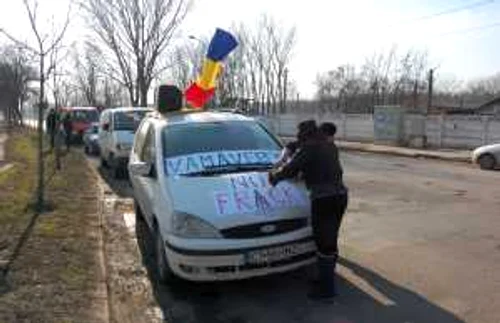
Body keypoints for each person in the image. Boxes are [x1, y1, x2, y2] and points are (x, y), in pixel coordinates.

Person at [268, 120, 348, 301]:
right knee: (331, 239)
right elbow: (303, 155)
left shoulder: (309, 149)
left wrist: (274, 176)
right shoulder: (329, 145)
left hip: (324, 200)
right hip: (341, 197)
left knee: (323, 244)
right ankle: (324, 280)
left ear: (304, 136)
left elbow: (290, 169)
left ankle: (326, 291)